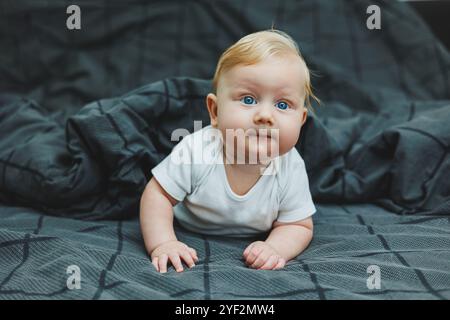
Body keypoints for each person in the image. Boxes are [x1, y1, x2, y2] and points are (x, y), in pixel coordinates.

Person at [140, 29, 319, 273]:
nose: (265, 115)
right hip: (188, 225)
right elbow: (157, 195)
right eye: (248, 99)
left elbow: (299, 225)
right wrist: (163, 242)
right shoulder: (198, 150)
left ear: (301, 119)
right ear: (215, 111)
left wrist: (275, 248)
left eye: (282, 104)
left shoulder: (290, 166)